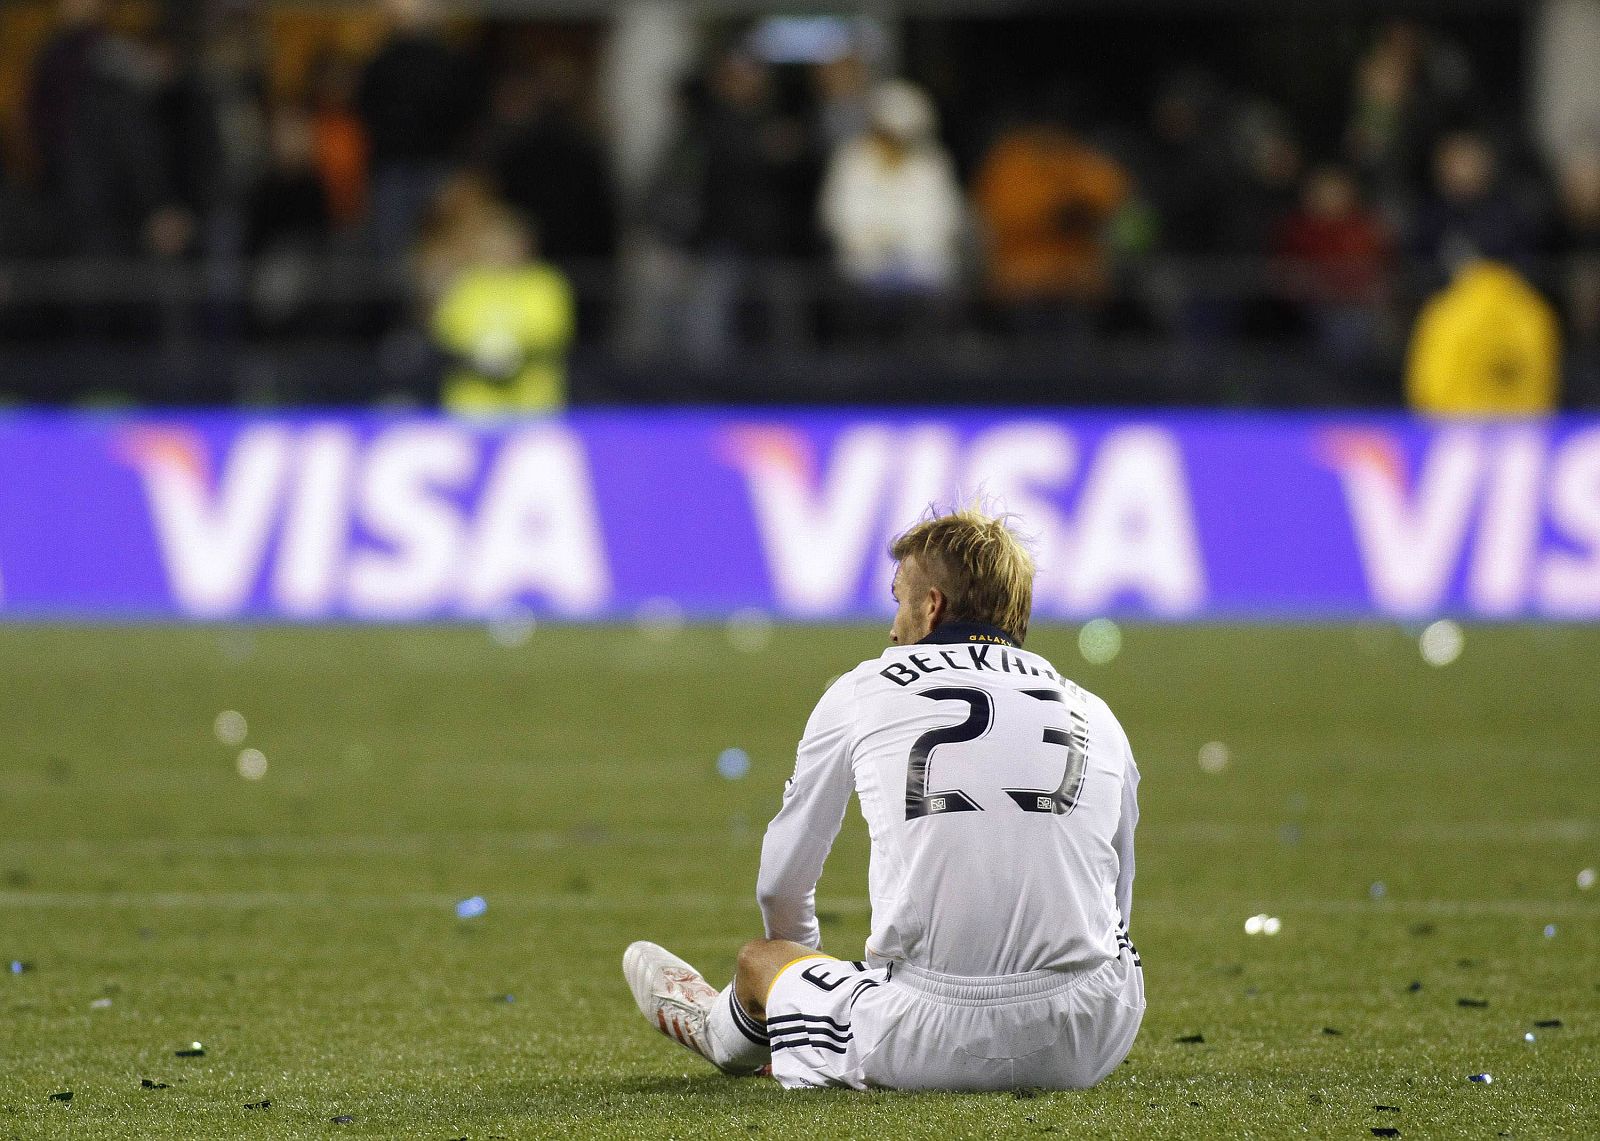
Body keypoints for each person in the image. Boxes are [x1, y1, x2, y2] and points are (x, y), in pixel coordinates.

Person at [623, 507, 1145, 1091]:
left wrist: (802, 975)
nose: (893, 629)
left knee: (760, 962)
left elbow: (781, 883)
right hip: (1091, 1032)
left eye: (899, 600)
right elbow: (1117, 898)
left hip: (931, 1034)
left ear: (932, 606)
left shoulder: (865, 688)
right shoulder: (1097, 714)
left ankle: (727, 1027)